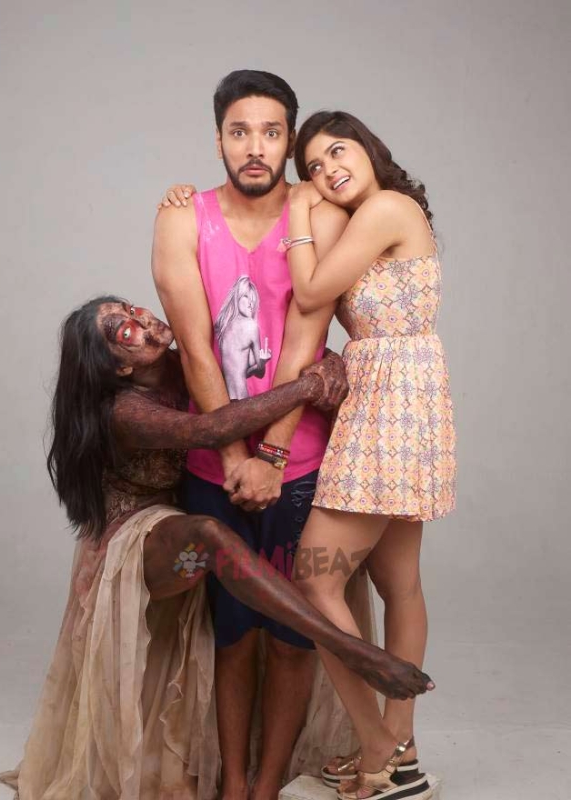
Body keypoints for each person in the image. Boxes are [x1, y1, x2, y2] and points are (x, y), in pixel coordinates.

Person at [0, 297, 432, 800]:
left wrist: (328, 362)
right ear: (118, 366)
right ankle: (352, 651)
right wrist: (307, 387)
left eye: (133, 310)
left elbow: (264, 361)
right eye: (124, 331)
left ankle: (262, 783)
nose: (142, 321)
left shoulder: (184, 364)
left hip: (188, 524)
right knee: (209, 539)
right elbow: (209, 429)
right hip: (144, 548)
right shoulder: (124, 409)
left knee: (261, 618)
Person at [152, 71, 364, 800]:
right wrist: (234, 456)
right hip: (215, 466)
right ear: (218, 138)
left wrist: (270, 456)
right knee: (234, 629)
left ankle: (268, 785)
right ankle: (234, 785)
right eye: (239, 131)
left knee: (295, 633)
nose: (254, 147)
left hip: (300, 464)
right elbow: (195, 346)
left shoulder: (317, 217)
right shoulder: (182, 219)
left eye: (271, 132)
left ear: (289, 139)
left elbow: (306, 337)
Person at [282, 111, 457, 800]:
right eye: (314, 167)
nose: (328, 170)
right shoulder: (373, 216)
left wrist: (299, 213)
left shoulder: (385, 207)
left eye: (337, 151)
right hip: (399, 398)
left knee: (314, 577)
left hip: (391, 407)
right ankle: (400, 753)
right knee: (399, 584)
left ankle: (378, 746)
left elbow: (310, 291)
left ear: (369, 149)